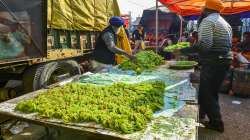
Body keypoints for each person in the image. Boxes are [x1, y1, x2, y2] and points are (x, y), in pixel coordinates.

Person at [178, 0, 233, 133]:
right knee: (208, 90)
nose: (201, 10)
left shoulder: (208, 21)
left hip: (215, 61)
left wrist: (184, 51)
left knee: (207, 93)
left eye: (203, 8)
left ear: (206, 9)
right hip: (223, 60)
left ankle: (217, 123)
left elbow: (204, 45)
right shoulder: (224, 22)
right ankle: (201, 114)